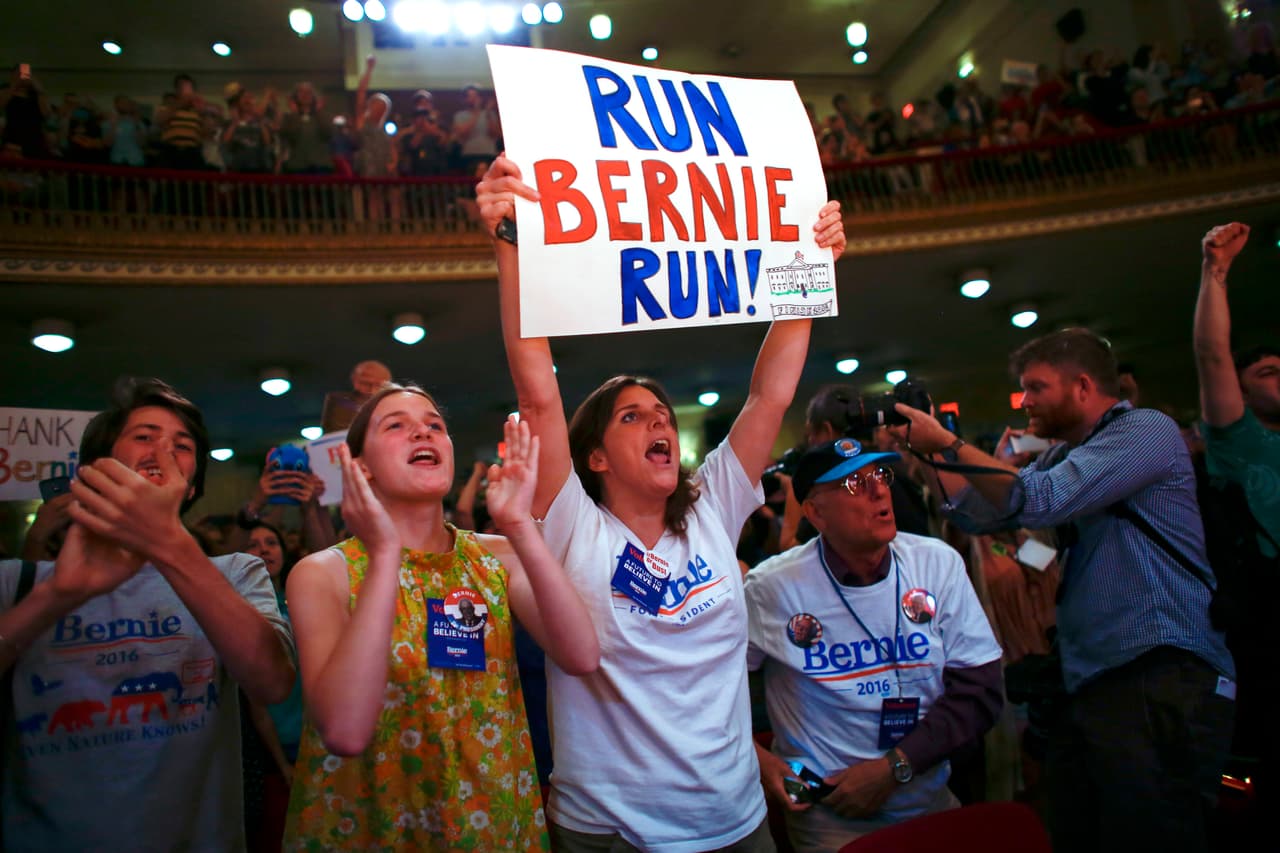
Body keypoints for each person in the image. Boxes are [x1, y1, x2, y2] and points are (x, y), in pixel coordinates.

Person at [476, 154, 846, 851]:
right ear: (593, 456)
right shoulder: (571, 526)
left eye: (662, 414)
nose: (658, 424)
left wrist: (811, 262)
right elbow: (538, 392)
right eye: (632, 416)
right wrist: (508, 240)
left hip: (738, 822)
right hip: (616, 832)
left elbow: (771, 395)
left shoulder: (713, 506)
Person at [891, 328, 1235, 853]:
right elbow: (984, 514)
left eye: (1035, 387)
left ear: (1081, 386)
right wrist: (931, 455)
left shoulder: (1146, 431)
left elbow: (1041, 500)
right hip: (1101, 680)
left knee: (1154, 835)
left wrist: (949, 443)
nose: (1023, 401)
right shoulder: (1064, 456)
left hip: (1159, 670)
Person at [282, 391, 598, 850]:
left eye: (434, 424)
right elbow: (344, 732)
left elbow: (581, 654)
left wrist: (519, 525)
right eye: (395, 425)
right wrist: (386, 553)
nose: (422, 431)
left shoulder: (496, 556)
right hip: (375, 828)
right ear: (360, 466)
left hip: (490, 824)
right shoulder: (322, 573)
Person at [0, 377, 296, 851]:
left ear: (194, 481)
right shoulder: (19, 582)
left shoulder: (237, 572)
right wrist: (55, 595)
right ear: (98, 467)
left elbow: (272, 682)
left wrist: (167, 543)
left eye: (182, 445)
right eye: (143, 436)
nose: (162, 449)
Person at [746, 439, 1003, 851]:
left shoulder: (937, 564)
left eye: (880, 476)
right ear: (814, 512)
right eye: (853, 484)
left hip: (929, 800)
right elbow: (711, 691)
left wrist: (895, 767)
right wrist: (761, 763)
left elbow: (982, 692)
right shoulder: (771, 588)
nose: (879, 490)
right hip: (830, 819)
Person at [1194, 222, 1279, 547]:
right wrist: (1215, 267)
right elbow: (1212, 354)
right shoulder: (1240, 439)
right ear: (1240, 393)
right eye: (1267, 373)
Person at [321, 358, 392, 433]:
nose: (372, 390)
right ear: (354, 379)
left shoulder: (394, 404)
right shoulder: (338, 401)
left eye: (379, 385)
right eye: (366, 384)